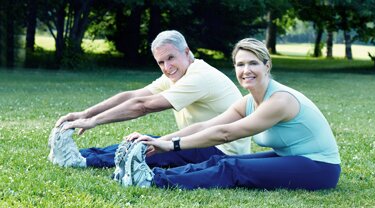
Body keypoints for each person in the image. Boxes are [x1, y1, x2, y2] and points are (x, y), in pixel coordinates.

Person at [124, 38, 341, 190]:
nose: (246, 70)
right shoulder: (248, 101)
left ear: (267, 66)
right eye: (240, 64)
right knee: (218, 162)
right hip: (293, 158)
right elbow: (206, 126)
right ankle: (148, 175)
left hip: (319, 168)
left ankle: (151, 181)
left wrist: (173, 146)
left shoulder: (280, 101)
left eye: (253, 63)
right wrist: (158, 141)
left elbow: (226, 133)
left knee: (232, 167)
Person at [54, 30, 251, 169]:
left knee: (148, 149)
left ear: (186, 51)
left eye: (171, 58)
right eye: (161, 62)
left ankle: (81, 162)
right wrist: (85, 114)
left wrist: (93, 121)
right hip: (199, 141)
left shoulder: (199, 77)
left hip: (222, 152)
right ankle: (82, 154)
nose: (167, 67)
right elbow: (134, 95)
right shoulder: (180, 73)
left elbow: (143, 106)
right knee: (143, 141)